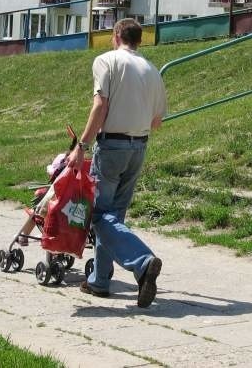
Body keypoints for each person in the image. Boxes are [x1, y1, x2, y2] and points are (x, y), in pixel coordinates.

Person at [67, 18, 167, 308]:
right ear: (139, 39)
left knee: (98, 216)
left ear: (115, 36)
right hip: (139, 146)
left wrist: (81, 147)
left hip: (111, 146)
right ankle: (100, 280)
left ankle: (142, 261)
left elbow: (100, 105)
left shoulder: (106, 61)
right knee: (114, 217)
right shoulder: (152, 70)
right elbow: (157, 120)